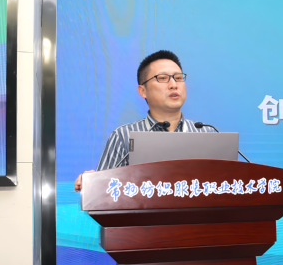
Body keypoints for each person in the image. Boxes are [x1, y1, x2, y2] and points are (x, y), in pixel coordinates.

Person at [74, 50, 213, 191]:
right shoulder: (124, 136)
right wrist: (91, 183)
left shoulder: (207, 134)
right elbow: (104, 192)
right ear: (142, 91)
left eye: (178, 78)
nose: (173, 84)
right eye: (162, 78)